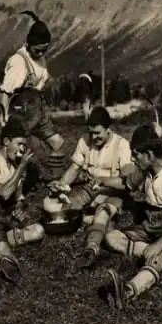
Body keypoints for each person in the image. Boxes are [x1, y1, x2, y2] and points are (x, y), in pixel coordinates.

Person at [98, 124, 162, 310]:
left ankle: (128, 291)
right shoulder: (145, 172)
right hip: (150, 229)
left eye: (135, 154)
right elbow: (124, 183)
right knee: (111, 238)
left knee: (160, 256)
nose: (132, 159)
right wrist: (99, 181)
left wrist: (159, 245)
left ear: (150, 155)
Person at [46, 106, 134, 266]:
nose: (93, 137)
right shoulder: (84, 140)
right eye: (91, 133)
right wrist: (61, 184)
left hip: (113, 191)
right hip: (90, 188)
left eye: (97, 133)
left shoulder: (122, 145)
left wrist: (105, 182)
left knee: (103, 211)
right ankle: (94, 221)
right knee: (66, 209)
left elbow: (128, 180)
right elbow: (74, 168)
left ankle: (91, 249)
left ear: (108, 129)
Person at [0, 117, 45, 285]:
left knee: (38, 230)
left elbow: (17, 195)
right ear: (6, 141)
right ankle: (1, 251)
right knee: (4, 247)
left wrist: (19, 205)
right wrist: (21, 168)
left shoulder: (14, 164)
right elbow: (4, 194)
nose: (22, 149)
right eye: (19, 144)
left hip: (7, 217)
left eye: (24, 145)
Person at [0, 11, 65, 180]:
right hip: (21, 112)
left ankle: (56, 182)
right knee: (22, 150)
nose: (41, 53)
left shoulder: (41, 59)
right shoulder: (19, 62)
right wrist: (4, 117)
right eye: (38, 50)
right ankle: (15, 182)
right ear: (28, 43)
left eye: (44, 50)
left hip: (37, 110)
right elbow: (4, 92)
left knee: (58, 142)